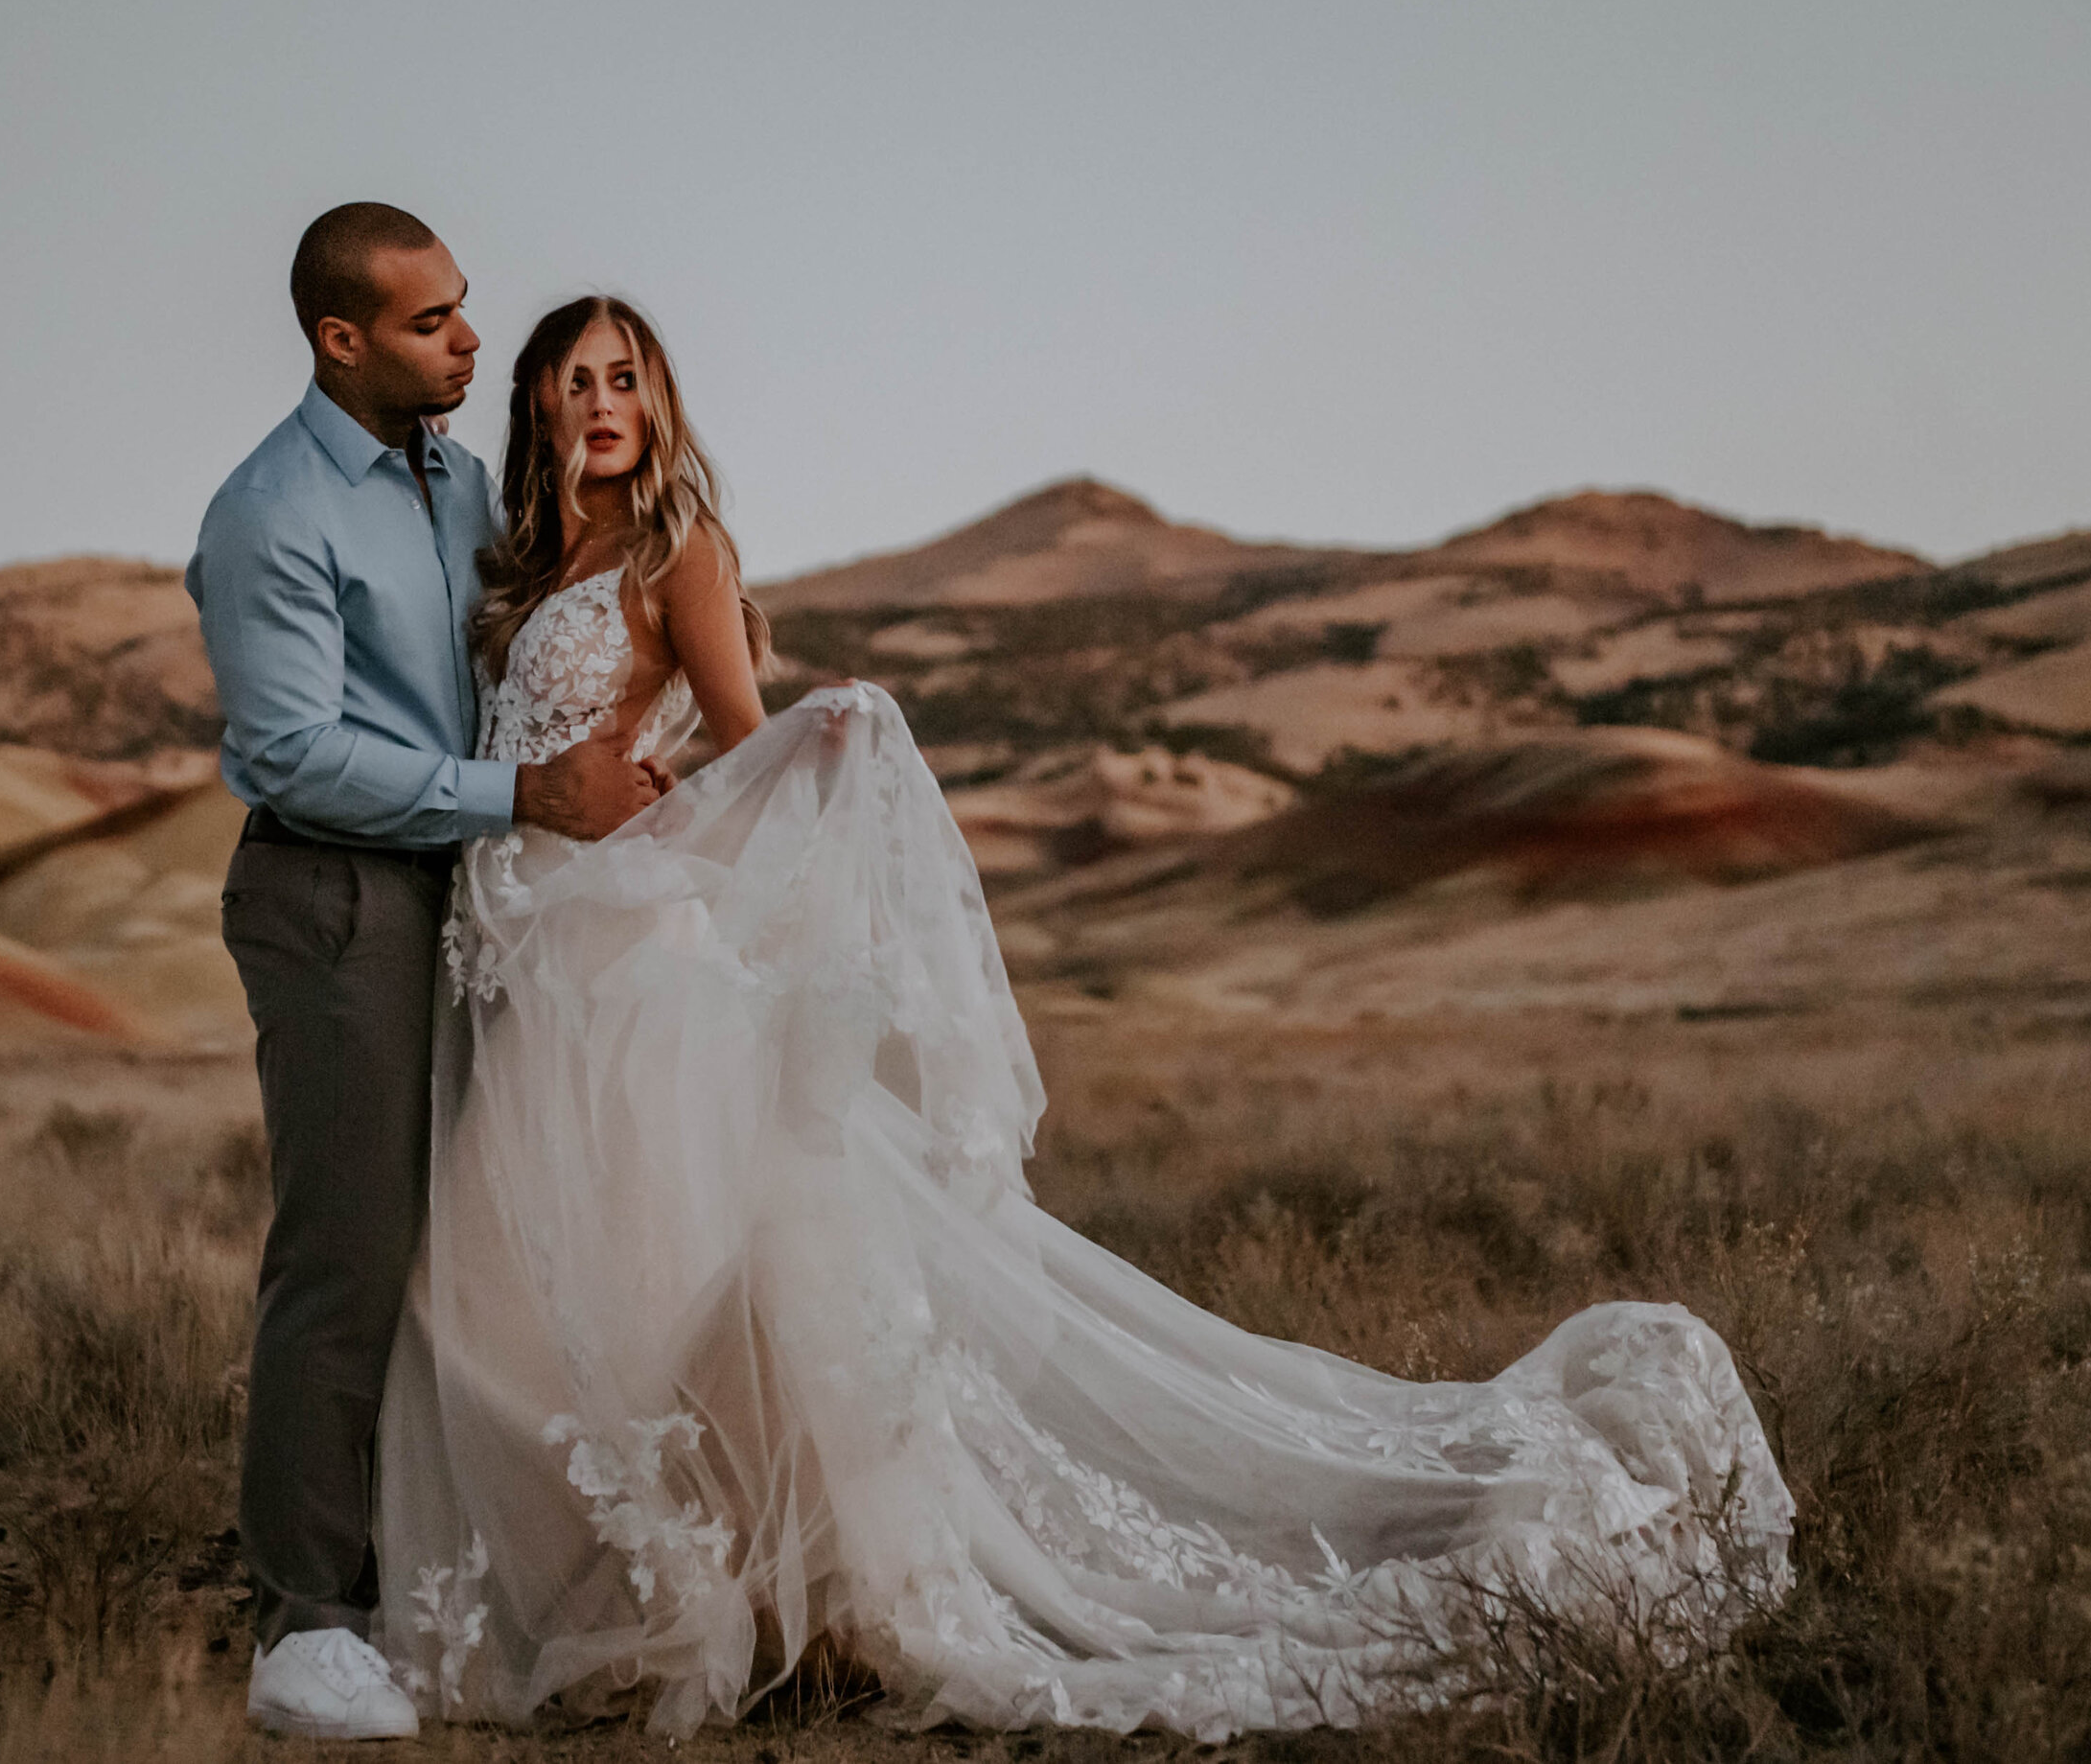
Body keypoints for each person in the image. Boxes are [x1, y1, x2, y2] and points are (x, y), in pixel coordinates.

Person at [367, 295, 1798, 1741]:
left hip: (633, 989)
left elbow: (745, 750)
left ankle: (704, 1604)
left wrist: (828, 737)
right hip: (534, 983)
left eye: (624, 378)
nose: (599, 402)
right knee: (501, 1302)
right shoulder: (532, 565)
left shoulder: (684, 551)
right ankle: (632, 1593)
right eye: (572, 381)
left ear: (656, 401)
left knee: (624, 1298)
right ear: (540, 408)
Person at [187, 206, 669, 1740]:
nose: (473, 340)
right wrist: (516, 802)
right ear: (342, 340)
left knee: (476, 1239)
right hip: (336, 899)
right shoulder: (270, 514)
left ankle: (438, 1565)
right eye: (431, 323)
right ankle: (305, 1627)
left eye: (464, 312)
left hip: (477, 903)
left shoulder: (464, 483)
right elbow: (288, 750)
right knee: (350, 1246)